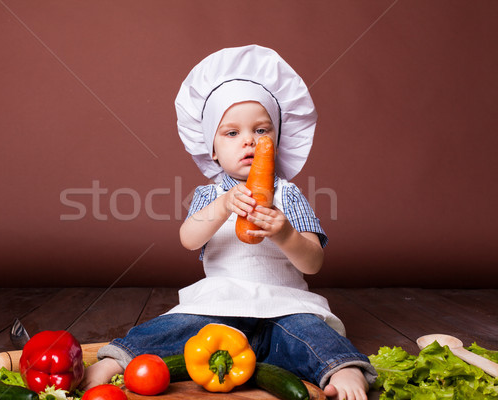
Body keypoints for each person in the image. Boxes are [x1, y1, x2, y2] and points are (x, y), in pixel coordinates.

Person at [81, 45, 377, 400]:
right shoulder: (210, 195)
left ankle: (343, 368)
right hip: (219, 308)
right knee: (176, 326)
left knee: (310, 332)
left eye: (262, 130)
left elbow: (312, 263)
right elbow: (189, 239)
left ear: (277, 142)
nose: (250, 140)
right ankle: (117, 361)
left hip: (285, 306)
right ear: (213, 150)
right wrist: (223, 207)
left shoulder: (289, 195)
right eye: (232, 133)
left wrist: (284, 233)